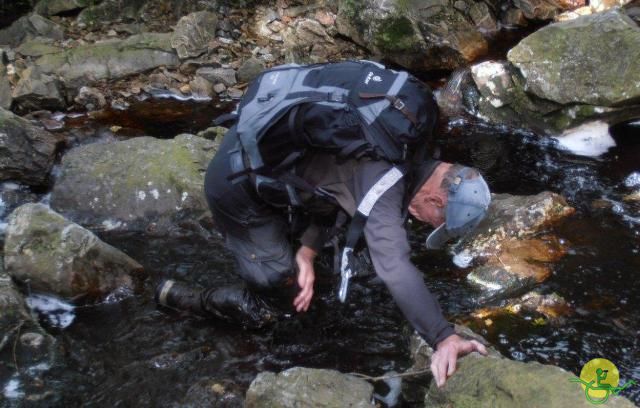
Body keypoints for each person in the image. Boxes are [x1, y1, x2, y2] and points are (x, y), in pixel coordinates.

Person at [156, 61, 490, 388]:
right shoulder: (387, 187)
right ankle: (183, 298)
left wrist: (308, 250)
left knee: (333, 268)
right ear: (437, 201)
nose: (426, 224)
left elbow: (341, 192)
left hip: (283, 179)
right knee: (278, 297)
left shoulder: (415, 141)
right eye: (437, 221)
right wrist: (443, 337)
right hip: (236, 186)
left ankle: (291, 251)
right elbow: (394, 267)